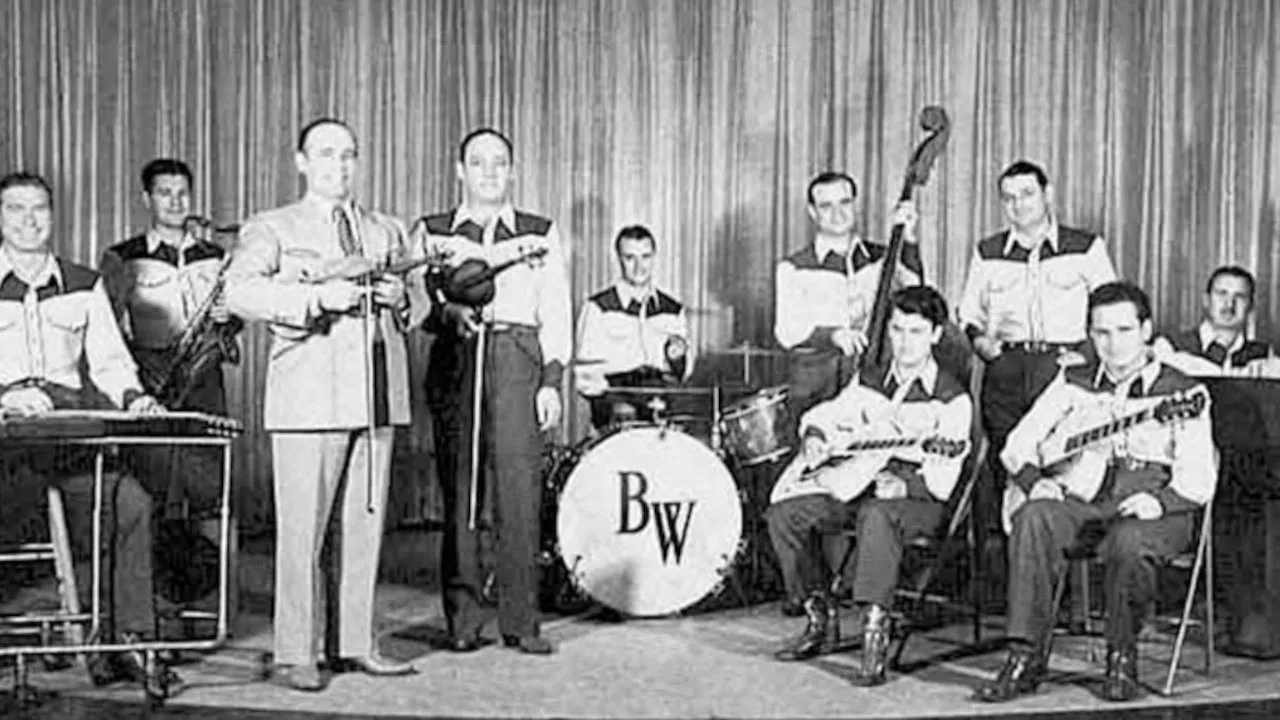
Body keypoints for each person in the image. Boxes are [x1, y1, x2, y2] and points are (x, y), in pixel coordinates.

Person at [224, 118, 417, 691]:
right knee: (301, 534)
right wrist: (315, 298)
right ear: (302, 162)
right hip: (309, 399)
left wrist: (403, 298)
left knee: (366, 528)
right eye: (327, 154)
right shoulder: (272, 225)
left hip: (376, 396)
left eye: (349, 154)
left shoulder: (386, 229)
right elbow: (239, 291)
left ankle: (355, 642)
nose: (340, 165)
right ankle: (295, 651)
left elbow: (422, 305)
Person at [974, 281, 1216, 704]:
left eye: (1124, 330)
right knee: (1034, 516)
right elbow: (1017, 443)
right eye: (1102, 332)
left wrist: (1160, 502)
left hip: (1157, 505)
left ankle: (1121, 658)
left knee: (1128, 541)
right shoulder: (1072, 380)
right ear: (1090, 333)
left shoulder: (1184, 391)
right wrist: (1034, 481)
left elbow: (1198, 476)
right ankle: (1025, 656)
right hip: (1086, 496)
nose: (1113, 343)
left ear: (1146, 330)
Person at [0, 171, 169, 686]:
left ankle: (129, 641)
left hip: (67, 434)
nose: (29, 220)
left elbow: (111, 363)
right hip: (5, 440)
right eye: (15, 209)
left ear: (54, 215)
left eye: (39, 208)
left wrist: (136, 398)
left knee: (129, 503)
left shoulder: (83, 283)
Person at [411, 127, 571, 656]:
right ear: (459, 170)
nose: (488, 172)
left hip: (517, 359)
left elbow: (556, 310)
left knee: (519, 493)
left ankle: (522, 621)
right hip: (457, 357)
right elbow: (416, 302)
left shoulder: (539, 233)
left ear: (513, 171)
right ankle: (462, 619)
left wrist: (551, 381)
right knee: (461, 492)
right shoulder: (433, 231)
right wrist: (447, 311)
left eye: (499, 162)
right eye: (477, 162)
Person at [766, 285, 971, 686]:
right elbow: (832, 413)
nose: (904, 342)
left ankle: (875, 631)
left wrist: (906, 485)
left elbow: (947, 471)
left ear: (935, 334)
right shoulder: (872, 378)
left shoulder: (950, 396)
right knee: (785, 514)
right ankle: (818, 615)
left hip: (919, 500)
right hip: (861, 483)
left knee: (877, 515)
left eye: (916, 331)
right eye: (897, 330)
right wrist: (816, 435)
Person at [770, 171, 921, 615]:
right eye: (826, 205)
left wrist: (909, 240)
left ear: (855, 204)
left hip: (866, 382)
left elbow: (917, 293)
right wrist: (832, 334)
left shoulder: (880, 257)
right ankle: (809, 594)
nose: (837, 213)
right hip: (817, 382)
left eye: (845, 203)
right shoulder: (793, 266)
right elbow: (786, 330)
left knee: (864, 475)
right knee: (814, 478)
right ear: (812, 211)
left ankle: (856, 583)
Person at [957, 160, 1117, 539]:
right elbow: (967, 313)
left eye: (1027, 194)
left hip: (1064, 368)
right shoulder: (988, 251)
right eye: (1009, 198)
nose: (1018, 205)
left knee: (1062, 462)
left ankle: (1054, 552)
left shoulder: (1086, 247)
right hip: (1006, 369)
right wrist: (980, 342)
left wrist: (1086, 354)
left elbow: (1111, 306)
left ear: (1047, 194)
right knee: (1008, 463)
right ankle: (1009, 558)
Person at [100, 158, 242, 516]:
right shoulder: (123, 257)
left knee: (208, 486)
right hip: (152, 381)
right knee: (152, 486)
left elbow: (236, 318)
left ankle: (206, 549)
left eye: (183, 193)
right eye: (165, 193)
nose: (176, 202)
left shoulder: (217, 256)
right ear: (146, 199)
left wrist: (229, 317)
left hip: (205, 382)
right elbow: (106, 329)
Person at [574, 224, 693, 431]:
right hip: (616, 413)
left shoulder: (673, 310)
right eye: (630, 258)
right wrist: (611, 403)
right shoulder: (597, 308)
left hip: (662, 409)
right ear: (618, 259)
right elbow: (585, 376)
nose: (639, 267)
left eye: (645, 257)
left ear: (654, 257)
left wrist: (677, 357)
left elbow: (683, 373)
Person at [1156, 265, 1278, 377]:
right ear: (1206, 300)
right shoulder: (1171, 347)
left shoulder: (1264, 357)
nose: (1229, 304)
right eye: (1222, 294)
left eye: (1239, 296)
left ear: (1250, 306)